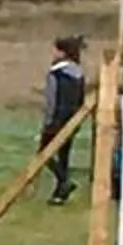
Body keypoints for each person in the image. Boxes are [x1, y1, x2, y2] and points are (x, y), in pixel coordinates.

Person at [44, 36, 87, 204]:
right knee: (64, 156)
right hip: (72, 119)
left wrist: (48, 122)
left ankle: (64, 182)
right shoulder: (78, 73)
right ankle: (59, 194)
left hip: (56, 120)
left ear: (62, 52)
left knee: (44, 153)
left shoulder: (55, 73)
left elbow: (51, 100)